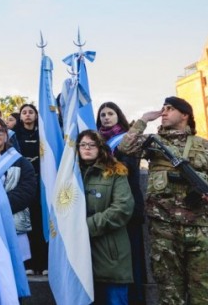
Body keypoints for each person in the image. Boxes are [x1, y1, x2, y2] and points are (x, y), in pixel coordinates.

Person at [117, 96, 208, 305]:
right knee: (169, 292)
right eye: (163, 109)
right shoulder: (153, 143)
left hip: (198, 228)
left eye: (169, 109)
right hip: (164, 228)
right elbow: (124, 149)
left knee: (203, 291)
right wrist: (144, 120)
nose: (163, 113)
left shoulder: (205, 146)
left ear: (185, 115)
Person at [97, 101, 146, 305]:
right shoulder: (95, 142)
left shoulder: (127, 140)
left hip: (128, 206)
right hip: (103, 207)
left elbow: (128, 167)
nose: (106, 117)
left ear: (119, 116)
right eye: (102, 115)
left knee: (132, 259)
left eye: (110, 113)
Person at [78, 129, 135, 305]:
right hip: (80, 256)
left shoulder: (115, 172)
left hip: (110, 255)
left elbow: (123, 208)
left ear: (100, 147)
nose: (87, 148)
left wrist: (87, 226)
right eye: (83, 145)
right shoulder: (70, 174)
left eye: (92, 144)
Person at [0, 118, 37, 264]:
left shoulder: (20, 161)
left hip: (13, 220)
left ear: (6, 135)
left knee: (13, 267)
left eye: (1, 130)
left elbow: (28, 190)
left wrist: (0, 204)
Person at [14, 103, 46, 275]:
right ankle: (28, 264)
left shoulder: (44, 135)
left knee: (40, 224)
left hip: (41, 184)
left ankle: (44, 263)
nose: (27, 115)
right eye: (24, 112)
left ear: (36, 116)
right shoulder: (14, 136)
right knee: (24, 224)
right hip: (22, 185)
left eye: (31, 112)